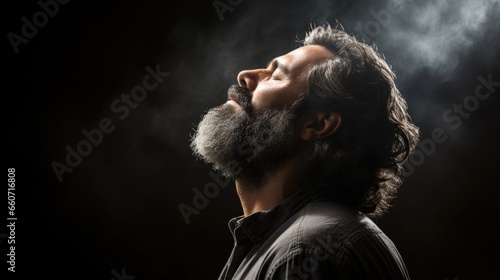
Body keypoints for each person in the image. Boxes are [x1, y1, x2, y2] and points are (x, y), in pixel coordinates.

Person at [190, 23, 420, 280]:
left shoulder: (306, 251)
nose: (245, 75)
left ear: (318, 124)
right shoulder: (283, 246)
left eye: (276, 75)